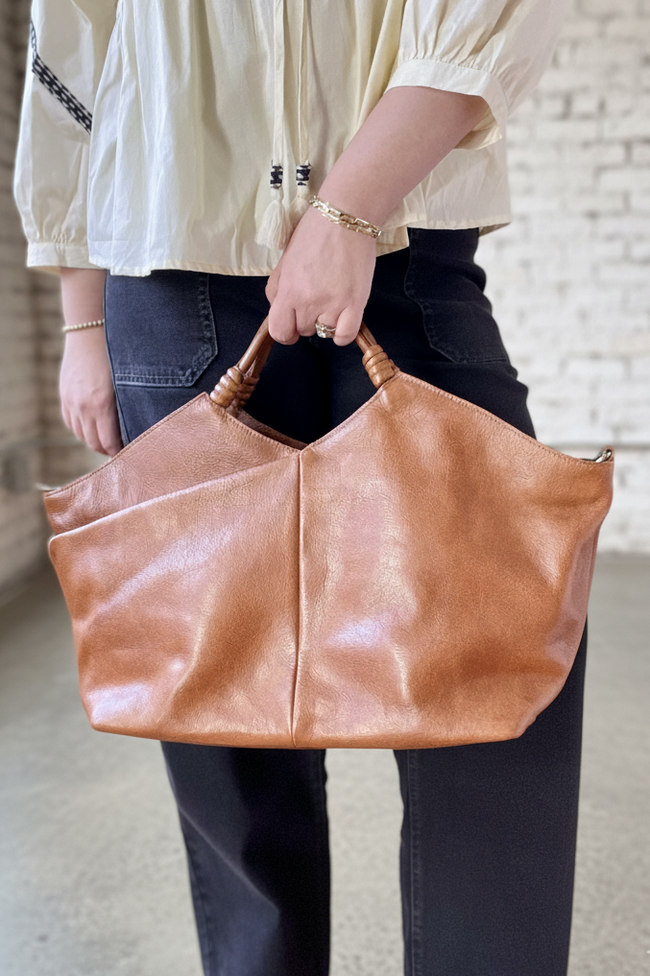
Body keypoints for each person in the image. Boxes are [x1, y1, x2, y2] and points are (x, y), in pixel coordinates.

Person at [14, 1, 582, 974]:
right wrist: (80, 322)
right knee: (221, 720)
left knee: (495, 690)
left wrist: (345, 206)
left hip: (404, 252)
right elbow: (69, 48)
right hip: (169, 268)